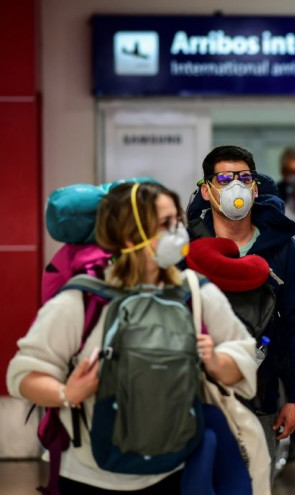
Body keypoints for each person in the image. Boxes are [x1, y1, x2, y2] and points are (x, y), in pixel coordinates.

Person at [6, 181, 257, 494]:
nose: (178, 233)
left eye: (176, 222)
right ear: (129, 235)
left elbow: (243, 356)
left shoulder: (194, 292)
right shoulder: (83, 300)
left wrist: (218, 361)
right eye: (165, 224)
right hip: (88, 474)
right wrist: (66, 393)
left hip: (173, 469)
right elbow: (23, 375)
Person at [188, 145, 295, 476]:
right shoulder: (188, 247)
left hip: (260, 398)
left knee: (253, 483)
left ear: (255, 188)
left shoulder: (283, 249)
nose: (236, 186)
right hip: (194, 399)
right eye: (224, 178)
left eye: (244, 178)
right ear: (207, 190)